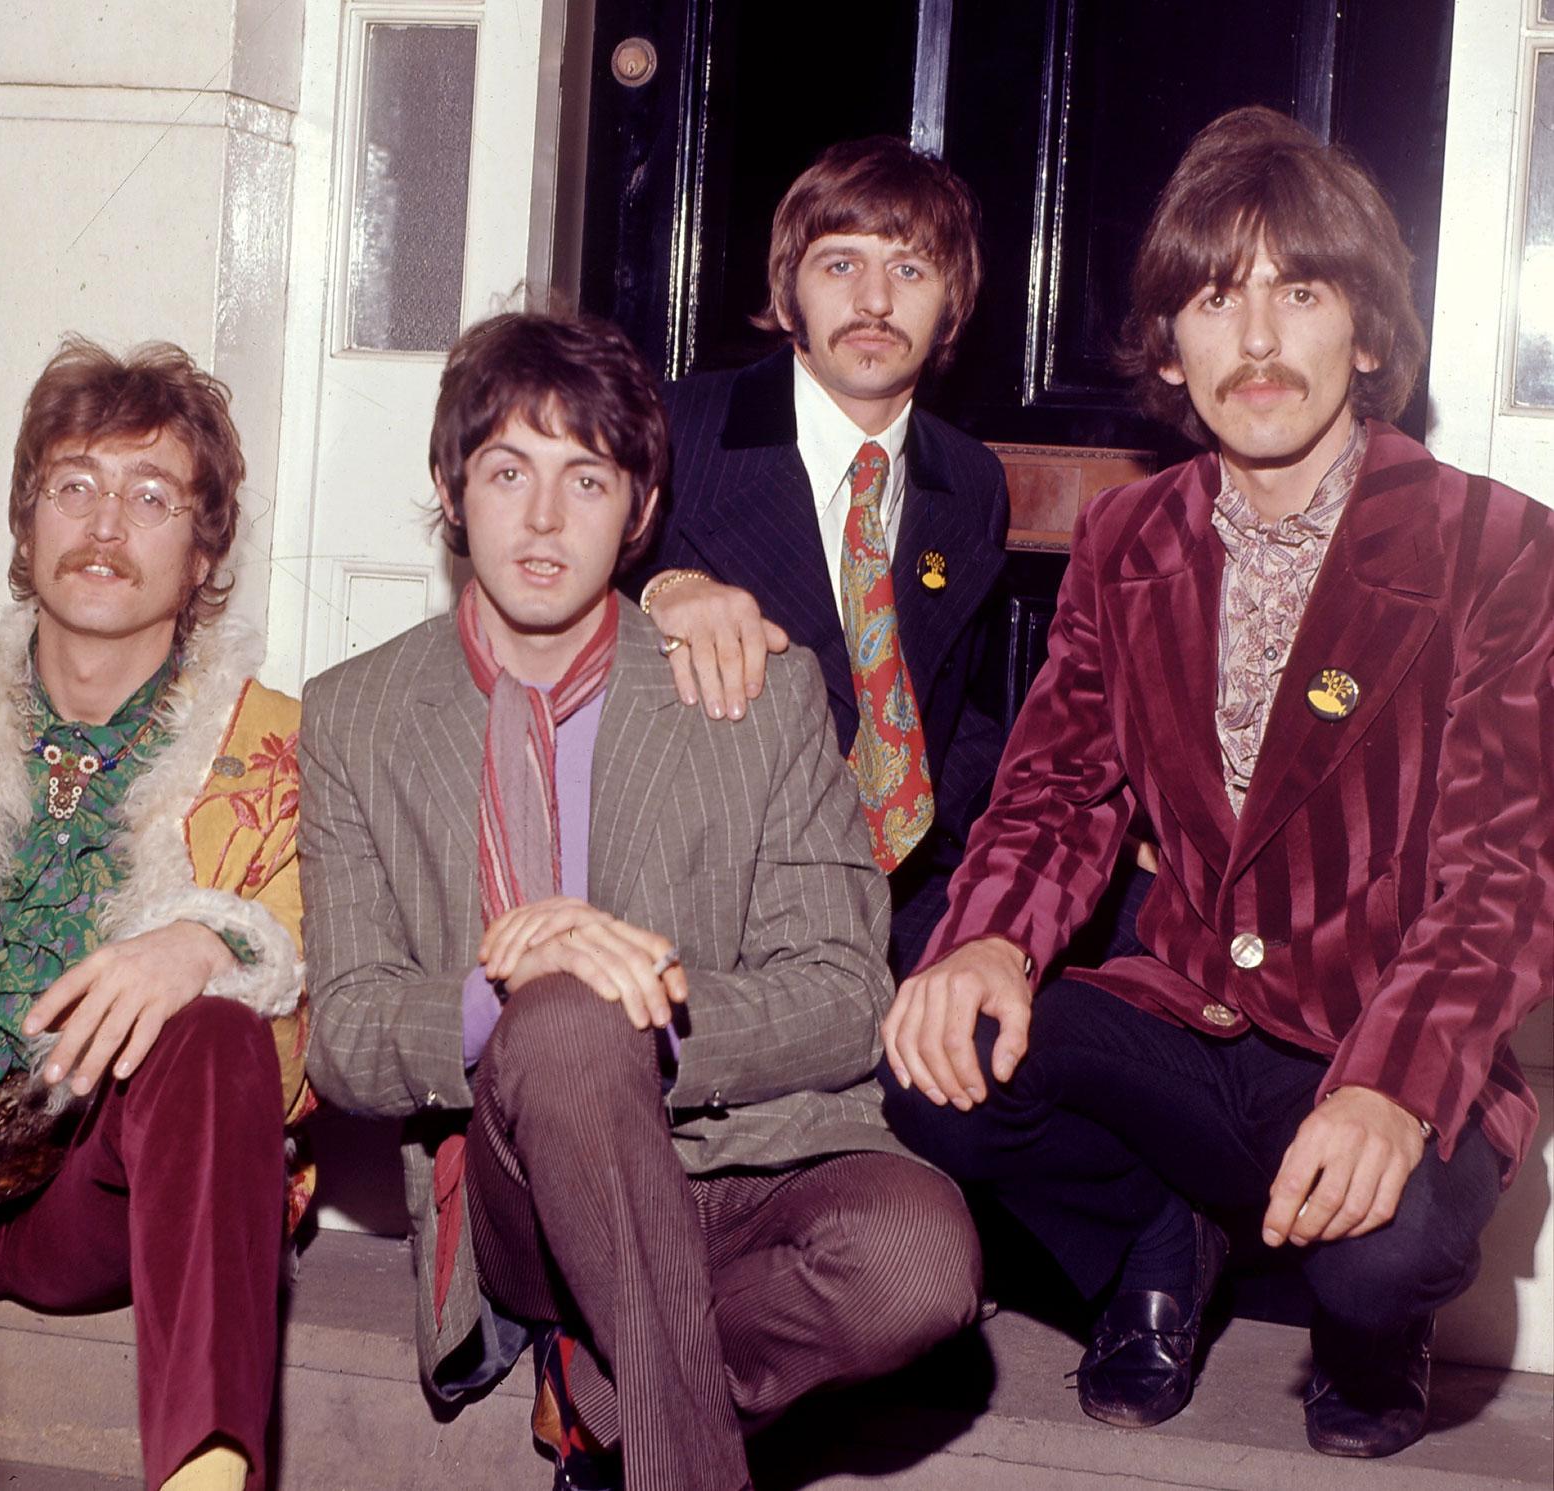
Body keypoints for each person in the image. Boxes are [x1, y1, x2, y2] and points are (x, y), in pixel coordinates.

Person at [881, 105, 1553, 1459]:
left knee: (1380, 1252)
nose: (1254, 342)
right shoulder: (1130, 534)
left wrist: (1393, 1086)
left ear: (1365, 334)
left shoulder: (1497, 543)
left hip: (1377, 1028)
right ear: (1170, 352)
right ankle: (1153, 1233)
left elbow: (1505, 869)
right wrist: (991, 942)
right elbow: (1057, 789)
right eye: (1212, 297)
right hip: (1188, 1018)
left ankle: (1370, 1332)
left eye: (1298, 293)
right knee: (934, 1061)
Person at [300, 310, 980, 1491]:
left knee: (922, 1262)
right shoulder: (357, 715)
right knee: (561, 1016)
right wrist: (504, 991)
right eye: (507, 472)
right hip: (523, 1193)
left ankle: (608, 1402)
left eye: (588, 477)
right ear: (453, 494)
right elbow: (348, 1033)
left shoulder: (756, 692)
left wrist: (649, 999)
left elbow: (841, 991)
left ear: (642, 507)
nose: (546, 519)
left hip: (745, 1159)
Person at [0, 337, 310, 1491]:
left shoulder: (280, 756)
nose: (106, 526)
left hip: (92, 1183)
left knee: (218, 1021)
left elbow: (302, 1058)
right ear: (27, 525)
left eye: (152, 496)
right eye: (73, 485)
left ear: (206, 544)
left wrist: (203, 942)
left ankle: (209, 1474)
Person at [631, 135, 1011, 976]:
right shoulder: (676, 430)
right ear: (789, 291)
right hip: (720, 899)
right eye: (841, 265)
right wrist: (663, 589)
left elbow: (955, 711)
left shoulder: (971, 482)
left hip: (913, 891)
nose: (875, 301)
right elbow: (559, 613)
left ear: (953, 304)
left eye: (911, 271)